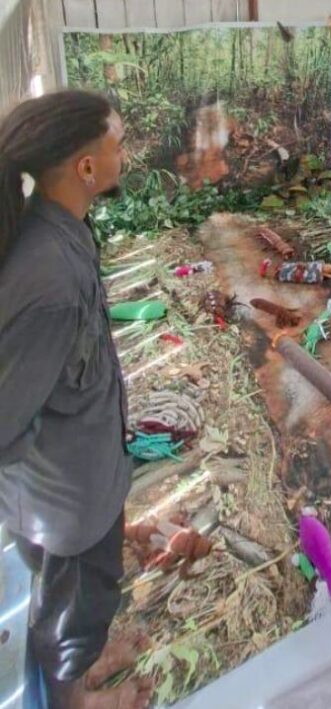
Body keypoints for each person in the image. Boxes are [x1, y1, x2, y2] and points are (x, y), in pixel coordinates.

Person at [0, 91, 153, 708]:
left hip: (79, 487)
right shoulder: (49, 280)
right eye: (117, 145)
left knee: (82, 602)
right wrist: (56, 472)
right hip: (66, 504)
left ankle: (86, 661)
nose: (126, 154)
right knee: (71, 616)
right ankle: (77, 698)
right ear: (86, 169)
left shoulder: (60, 229)